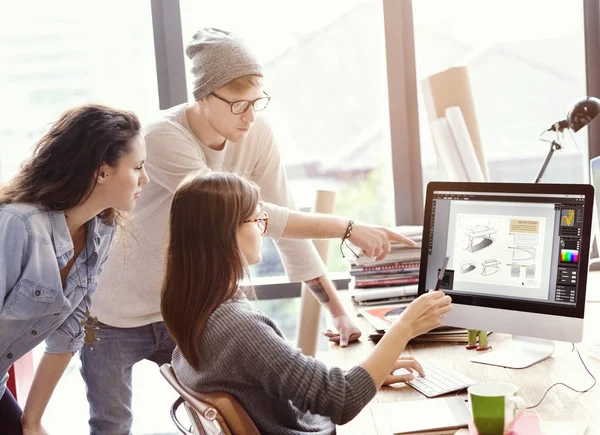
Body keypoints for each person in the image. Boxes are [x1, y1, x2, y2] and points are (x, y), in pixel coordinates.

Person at [81, 27, 416, 434]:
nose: (251, 116)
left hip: (185, 309)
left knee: (218, 413)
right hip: (118, 307)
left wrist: (338, 312)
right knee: (111, 423)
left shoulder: (256, 135)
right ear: (203, 97)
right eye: (239, 105)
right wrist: (346, 227)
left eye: (257, 102)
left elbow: (281, 216)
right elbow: (247, 212)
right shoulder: (162, 138)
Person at [162, 171, 453, 434]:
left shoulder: (191, 307)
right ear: (225, 234)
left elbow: (288, 375)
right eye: (257, 220)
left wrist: (372, 371)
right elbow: (342, 401)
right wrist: (405, 326)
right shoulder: (239, 327)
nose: (263, 229)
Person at [0, 104, 149, 434]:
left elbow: (70, 333)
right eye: (137, 167)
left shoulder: (101, 231)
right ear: (102, 171)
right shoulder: (18, 226)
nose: (146, 179)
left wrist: (33, 421)